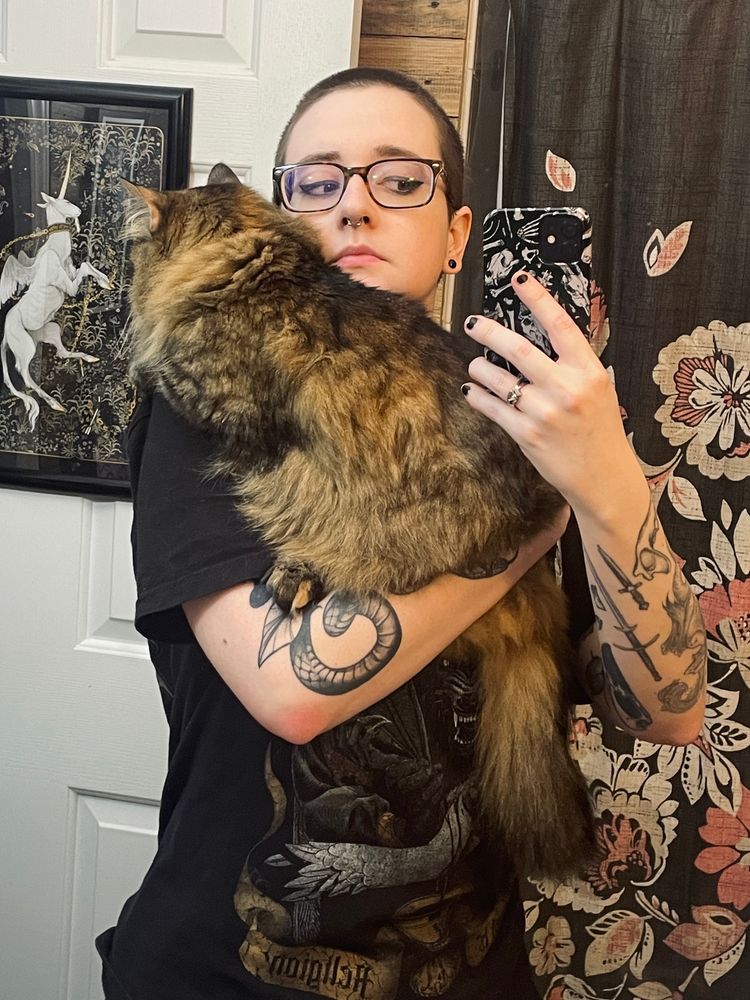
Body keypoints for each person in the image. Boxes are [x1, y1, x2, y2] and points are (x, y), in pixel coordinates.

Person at [96, 67, 707, 1000]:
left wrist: (613, 480)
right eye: (317, 181)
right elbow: (293, 690)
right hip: (222, 971)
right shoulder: (202, 395)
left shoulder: (537, 414)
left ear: (457, 234)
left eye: (401, 179)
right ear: (278, 218)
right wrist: (542, 511)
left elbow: (667, 710)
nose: (355, 209)